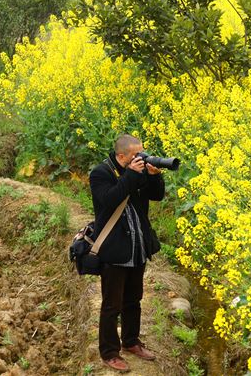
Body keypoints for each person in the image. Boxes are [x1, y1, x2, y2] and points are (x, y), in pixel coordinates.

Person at [89, 134, 165, 372]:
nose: (140, 158)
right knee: (112, 304)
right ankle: (110, 352)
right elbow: (109, 200)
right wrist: (132, 175)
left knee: (134, 299)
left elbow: (156, 196)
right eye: (134, 155)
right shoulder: (100, 173)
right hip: (115, 248)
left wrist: (153, 176)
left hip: (138, 246)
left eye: (141, 153)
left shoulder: (138, 169)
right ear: (121, 156)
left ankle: (131, 341)